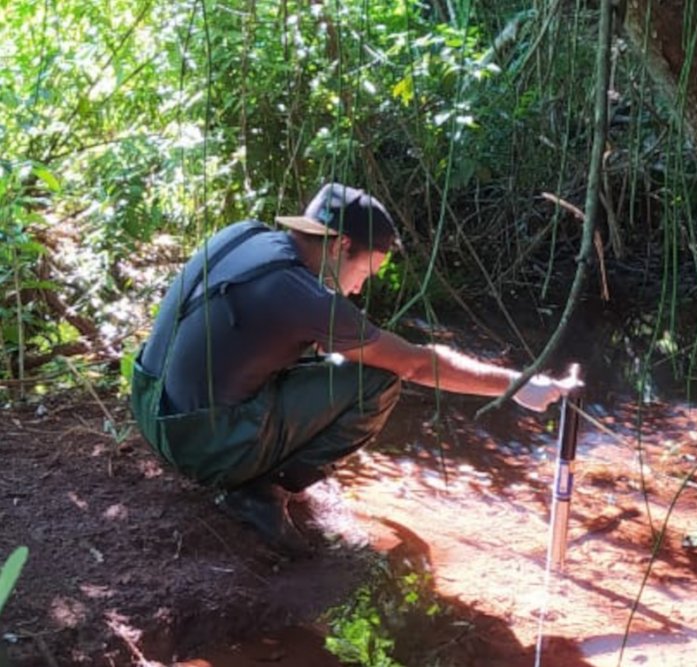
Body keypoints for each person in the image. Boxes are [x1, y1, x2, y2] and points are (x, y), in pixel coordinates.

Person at [130, 182, 579, 555]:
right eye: (369, 269)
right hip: (197, 443)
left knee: (331, 361)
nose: (362, 288)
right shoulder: (304, 296)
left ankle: (248, 468)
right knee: (377, 381)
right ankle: (259, 492)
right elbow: (416, 365)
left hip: (151, 408)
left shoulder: (245, 235)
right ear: (343, 245)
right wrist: (517, 385)